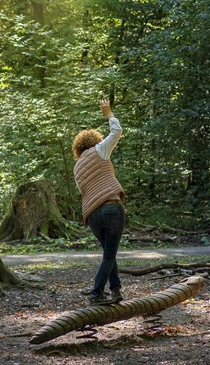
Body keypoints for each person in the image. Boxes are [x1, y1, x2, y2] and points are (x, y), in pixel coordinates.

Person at [72, 99, 126, 305]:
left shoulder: (77, 167)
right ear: (95, 140)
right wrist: (109, 113)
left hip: (92, 215)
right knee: (110, 254)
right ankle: (96, 293)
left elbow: (83, 191)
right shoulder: (100, 150)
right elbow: (117, 131)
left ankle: (116, 290)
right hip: (111, 208)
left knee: (108, 254)